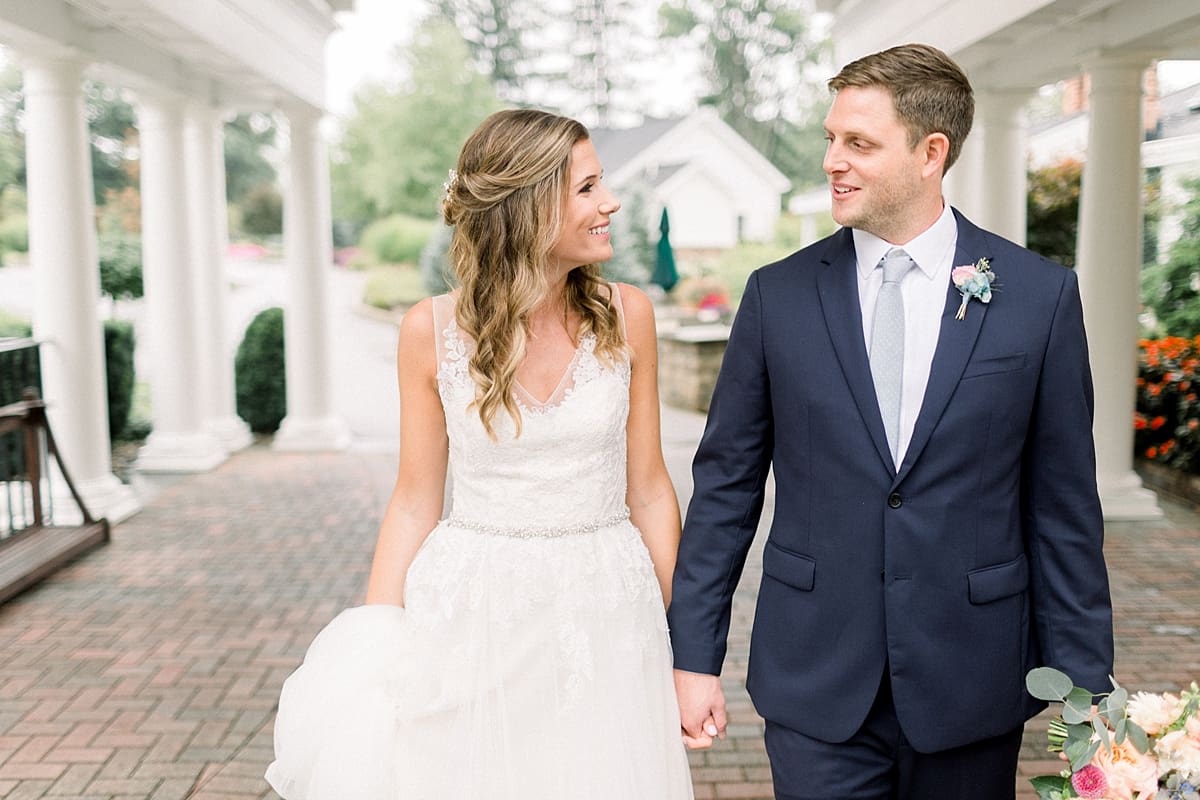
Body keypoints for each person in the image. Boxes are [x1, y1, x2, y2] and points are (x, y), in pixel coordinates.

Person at [668, 43, 1113, 800]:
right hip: (815, 680)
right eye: (831, 139)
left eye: (859, 144)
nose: (832, 160)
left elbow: (1063, 509)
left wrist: (1086, 696)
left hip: (971, 682)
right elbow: (725, 490)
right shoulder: (777, 297)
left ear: (931, 153)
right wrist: (693, 658)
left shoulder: (1040, 298)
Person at [265, 108, 694, 799]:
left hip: (607, 610)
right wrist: (373, 643)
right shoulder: (427, 331)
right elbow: (413, 499)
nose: (609, 202)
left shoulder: (628, 314)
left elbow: (648, 488)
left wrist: (690, 646)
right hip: (475, 611)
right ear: (529, 206)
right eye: (587, 188)